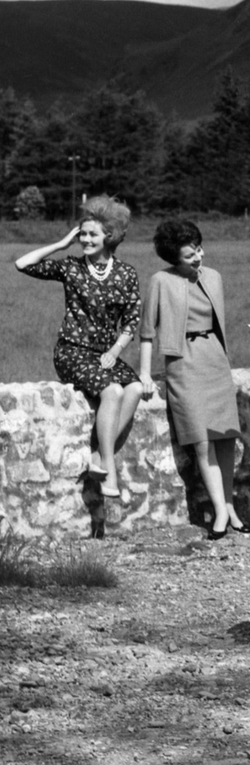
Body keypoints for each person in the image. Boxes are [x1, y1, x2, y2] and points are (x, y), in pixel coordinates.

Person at [14, 195, 143, 525]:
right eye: (82, 234)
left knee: (135, 389)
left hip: (105, 354)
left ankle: (101, 453)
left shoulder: (127, 274)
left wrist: (115, 352)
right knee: (111, 392)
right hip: (72, 351)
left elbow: (131, 320)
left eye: (93, 235)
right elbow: (22, 264)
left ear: (110, 236)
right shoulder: (70, 267)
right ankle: (109, 472)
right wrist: (60, 243)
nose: (86, 240)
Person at [137, 219, 247, 541]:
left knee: (225, 436)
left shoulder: (214, 277)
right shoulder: (160, 280)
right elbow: (147, 332)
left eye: (199, 250)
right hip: (183, 362)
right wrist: (144, 373)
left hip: (215, 359)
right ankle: (220, 510)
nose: (198, 258)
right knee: (201, 439)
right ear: (174, 258)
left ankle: (229, 507)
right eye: (189, 256)